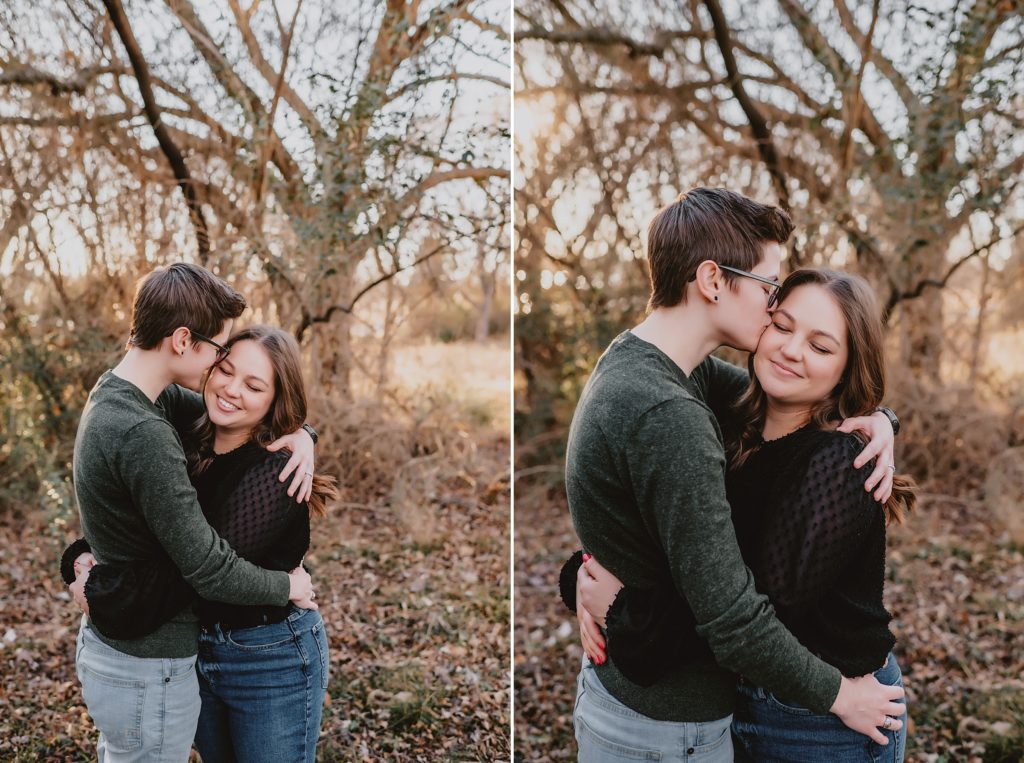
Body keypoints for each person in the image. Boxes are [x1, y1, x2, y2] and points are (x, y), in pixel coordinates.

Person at [560, 189, 905, 762]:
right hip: (682, 717)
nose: (775, 316)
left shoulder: (652, 367)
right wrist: (590, 576)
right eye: (773, 292)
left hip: (814, 717)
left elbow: (740, 608)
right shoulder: (684, 403)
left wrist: (882, 420)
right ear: (714, 281)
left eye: (818, 343)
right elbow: (724, 603)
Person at [63, 263, 319, 762]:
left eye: (253, 384)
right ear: (183, 341)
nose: (222, 378)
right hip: (181, 652)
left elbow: (201, 567)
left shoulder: (131, 398)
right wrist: (85, 564)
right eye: (220, 358)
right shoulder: (158, 423)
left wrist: (304, 435)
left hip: (264, 656)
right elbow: (194, 562)